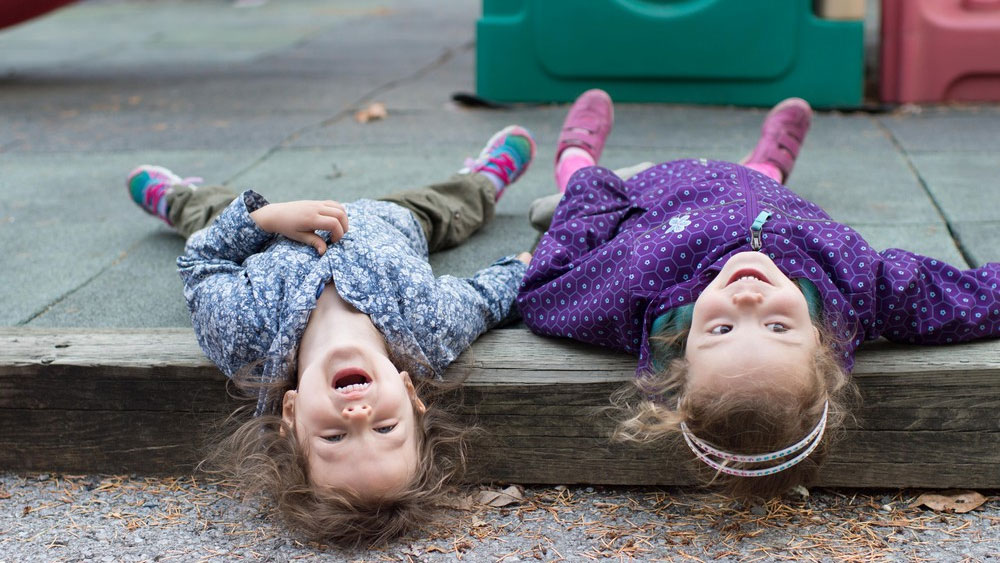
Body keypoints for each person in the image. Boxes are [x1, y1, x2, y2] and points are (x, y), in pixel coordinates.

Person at [518, 90, 1000, 500]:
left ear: (682, 352)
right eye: (777, 327)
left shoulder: (631, 292)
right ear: (822, 344)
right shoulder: (856, 288)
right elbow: (962, 299)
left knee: (575, 190)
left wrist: (592, 190)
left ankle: (574, 156)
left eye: (721, 329)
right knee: (763, 179)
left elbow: (542, 290)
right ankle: (769, 160)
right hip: (765, 196)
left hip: (651, 191)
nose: (747, 303)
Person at [127, 125, 536, 545]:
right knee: (446, 207)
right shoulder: (429, 325)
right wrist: (526, 267)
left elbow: (200, 265)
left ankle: (175, 200)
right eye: (386, 429)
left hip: (270, 237)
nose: (357, 416)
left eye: (335, 437)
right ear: (411, 395)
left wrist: (262, 220)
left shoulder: (245, 334)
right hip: (391, 219)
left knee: (209, 215)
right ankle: (486, 179)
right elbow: (483, 299)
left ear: (290, 415)